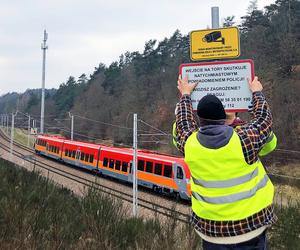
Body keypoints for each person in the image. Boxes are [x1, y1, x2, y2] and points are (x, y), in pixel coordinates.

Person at [175, 75, 277, 250]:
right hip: (251, 228)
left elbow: (183, 123)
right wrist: (257, 93)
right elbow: (263, 121)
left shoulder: (189, 144)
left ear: (199, 118)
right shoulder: (244, 141)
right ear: (223, 117)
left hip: (212, 234)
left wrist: (185, 94)